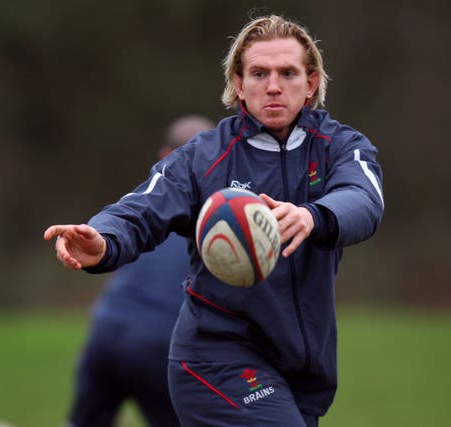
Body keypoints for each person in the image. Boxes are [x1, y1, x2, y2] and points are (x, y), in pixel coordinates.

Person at [45, 15, 384, 427]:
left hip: (301, 369)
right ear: (239, 84)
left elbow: (364, 199)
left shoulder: (340, 148)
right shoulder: (203, 157)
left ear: (310, 83)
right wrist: (103, 239)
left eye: (287, 73)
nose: (273, 85)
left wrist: (313, 216)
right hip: (215, 360)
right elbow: (141, 208)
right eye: (259, 73)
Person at [66, 115, 215, 427]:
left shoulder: (141, 213)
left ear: (163, 156)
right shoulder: (216, 224)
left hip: (105, 332)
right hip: (160, 343)